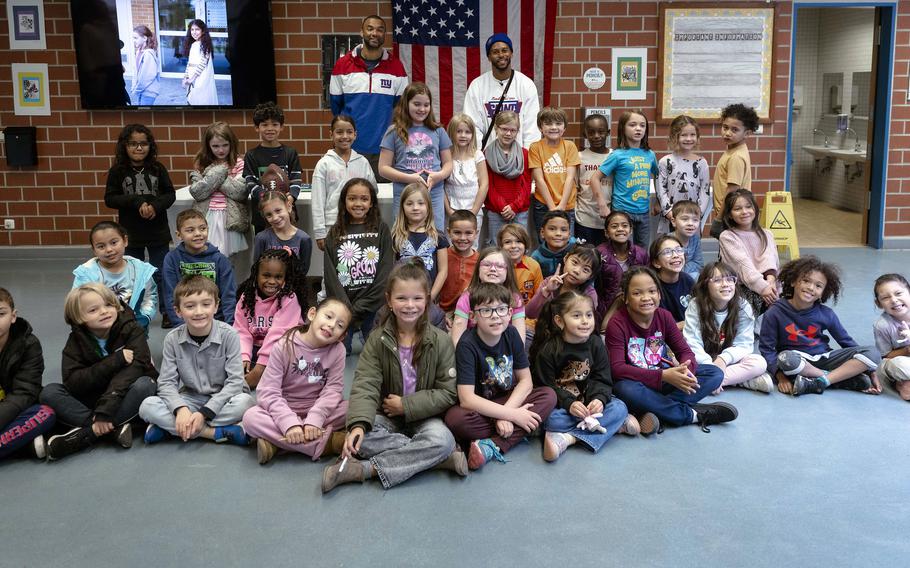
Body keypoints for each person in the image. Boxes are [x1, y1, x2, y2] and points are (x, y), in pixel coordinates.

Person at [321, 260, 466, 492]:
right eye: (401, 298)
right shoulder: (377, 340)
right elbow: (365, 385)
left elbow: (448, 392)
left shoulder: (441, 340)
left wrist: (406, 405)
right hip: (386, 416)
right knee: (362, 438)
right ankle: (438, 458)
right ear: (389, 300)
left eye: (417, 298)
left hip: (425, 417)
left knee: (442, 440)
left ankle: (363, 470)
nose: (410, 305)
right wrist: (358, 425)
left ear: (427, 300)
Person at [606, 267, 738, 434]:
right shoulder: (617, 323)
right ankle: (690, 415)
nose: (646, 298)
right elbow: (617, 369)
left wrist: (685, 371)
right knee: (624, 389)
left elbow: (685, 351)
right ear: (625, 298)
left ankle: (655, 411)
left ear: (659, 294)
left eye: (652, 291)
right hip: (638, 383)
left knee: (714, 373)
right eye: (637, 293)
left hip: (665, 379)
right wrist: (662, 375)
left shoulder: (664, 316)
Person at [444, 282, 556, 470]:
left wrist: (506, 415)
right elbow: (466, 399)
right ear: (473, 316)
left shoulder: (511, 334)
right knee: (455, 419)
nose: (496, 316)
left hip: (507, 399)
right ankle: (522, 428)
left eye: (501, 309)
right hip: (481, 407)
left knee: (548, 395)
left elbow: (526, 381)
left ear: (510, 313)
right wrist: (512, 415)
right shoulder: (467, 345)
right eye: (486, 310)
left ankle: (491, 445)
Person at [40, 284, 158, 460]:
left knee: (145, 385)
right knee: (49, 392)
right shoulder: (75, 342)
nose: (104, 312)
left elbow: (136, 368)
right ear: (78, 318)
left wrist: (106, 409)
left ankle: (89, 433)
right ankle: (108, 430)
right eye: (93, 310)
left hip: (124, 395)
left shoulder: (132, 329)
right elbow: (73, 382)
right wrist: (115, 360)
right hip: (94, 399)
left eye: (109, 305)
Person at [140, 276, 254, 445]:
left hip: (224, 399)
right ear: (178, 311)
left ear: (216, 306)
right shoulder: (172, 339)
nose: (199, 312)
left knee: (246, 404)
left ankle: (171, 429)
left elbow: (235, 382)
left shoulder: (229, 335)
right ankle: (213, 433)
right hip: (190, 399)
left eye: (206, 304)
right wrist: (181, 410)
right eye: (190, 306)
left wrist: (204, 413)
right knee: (147, 406)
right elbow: (166, 383)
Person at [530, 289, 639, 462]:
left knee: (619, 407)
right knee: (550, 420)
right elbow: (546, 386)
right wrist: (569, 403)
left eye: (589, 315)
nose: (585, 321)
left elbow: (602, 378)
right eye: (576, 316)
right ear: (560, 321)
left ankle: (567, 439)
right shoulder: (549, 350)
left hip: (590, 406)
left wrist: (599, 399)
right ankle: (613, 426)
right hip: (564, 409)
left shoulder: (596, 344)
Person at [242, 298, 352, 464]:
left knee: (353, 408)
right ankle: (329, 444)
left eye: (340, 325)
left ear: (342, 336)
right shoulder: (284, 345)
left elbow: (333, 390)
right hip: (285, 407)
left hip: (316, 408)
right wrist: (289, 423)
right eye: (328, 317)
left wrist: (315, 419)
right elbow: (268, 391)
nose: (331, 325)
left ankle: (278, 445)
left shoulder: (338, 351)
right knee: (251, 418)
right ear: (312, 314)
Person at [760, 256, 882, 396]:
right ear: (793, 281)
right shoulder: (775, 312)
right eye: (806, 281)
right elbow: (767, 349)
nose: (811, 288)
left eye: (818, 286)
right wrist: (780, 377)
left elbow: (847, 343)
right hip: (798, 361)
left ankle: (821, 381)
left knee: (873, 353)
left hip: (826, 358)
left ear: (823, 293)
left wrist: (871, 371)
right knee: (785, 358)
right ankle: (838, 378)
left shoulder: (826, 314)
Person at [103, 124, 175, 328]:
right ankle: (131, 311)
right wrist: (135, 201)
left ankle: (167, 311)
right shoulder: (118, 171)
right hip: (130, 233)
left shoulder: (158, 169)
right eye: (133, 144)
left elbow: (170, 194)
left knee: (160, 273)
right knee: (132, 274)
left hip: (157, 231)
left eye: (143, 144)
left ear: (150, 146)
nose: (138, 148)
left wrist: (155, 205)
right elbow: (110, 198)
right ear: (124, 146)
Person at [329, 14, 408, 178]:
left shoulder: (396, 68)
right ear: (362, 32)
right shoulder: (342, 66)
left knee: (383, 201)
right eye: (370, 28)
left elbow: (401, 109)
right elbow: (336, 108)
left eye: (380, 30)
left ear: (384, 35)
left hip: (385, 150)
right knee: (352, 200)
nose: (374, 33)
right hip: (350, 149)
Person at [323, 178, 394, 355]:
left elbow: (385, 272)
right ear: (344, 201)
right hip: (344, 307)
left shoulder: (382, 229)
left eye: (364, 199)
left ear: (371, 203)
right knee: (340, 353)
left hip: (373, 306)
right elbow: (330, 274)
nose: (358, 203)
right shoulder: (335, 232)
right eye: (352, 198)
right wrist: (346, 309)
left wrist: (361, 306)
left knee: (376, 354)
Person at [683, 262, 772, 393]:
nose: (725, 284)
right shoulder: (695, 305)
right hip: (704, 361)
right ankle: (744, 380)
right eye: (717, 280)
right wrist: (711, 368)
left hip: (729, 361)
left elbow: (744, 344)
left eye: (730, 279)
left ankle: (707, 383)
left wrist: (723, 359)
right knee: (682, 362)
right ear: (705, 285)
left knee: (759, 362)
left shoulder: (742, 306)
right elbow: (693, 343)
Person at [379, 82, 453, 231]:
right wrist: (410, 178)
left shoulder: (438, 130)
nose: (422, 109)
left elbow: (449, 164)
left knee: (436, 235)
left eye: (426, 105)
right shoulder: (394, 131)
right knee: (404, 234)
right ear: (407, 103)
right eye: (417, 104)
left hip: (433, 193)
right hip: (404, 193)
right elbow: (383, 168)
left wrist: (438, 175)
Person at [233, 249, 306, 389]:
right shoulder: (246, 297)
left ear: (285, 278)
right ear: (256, 275)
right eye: (266, 275)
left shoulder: (289, 298)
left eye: (278, 277)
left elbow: (278, 335)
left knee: (289, 362)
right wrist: (243, 357)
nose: (272, 282)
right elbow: (241, 331)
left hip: (282, 349)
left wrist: (259, 370)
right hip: (255, 349)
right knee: (229, 356)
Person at [0, 288, 56, 460]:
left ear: (13, 316)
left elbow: (25, 392)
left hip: (13, 410)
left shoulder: (28, 344)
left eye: (1, 314)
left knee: (45, 413)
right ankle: (21, 446)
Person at [590, 110, 659, 248]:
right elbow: (594, 179)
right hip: (622, 211)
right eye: (632, 125)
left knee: (642, 251)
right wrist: (602, 205)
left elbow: (658, 176)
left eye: (642, 125)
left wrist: (658, 201)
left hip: (643, 212)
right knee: (623, 249)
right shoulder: (617, 155)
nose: (638, 128)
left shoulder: (650, 154)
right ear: (623, 128)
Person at [72, 221, 158, 331]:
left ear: (125, 241)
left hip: (134, 326)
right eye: (101, 246)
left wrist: (144, 318)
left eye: (113, 243)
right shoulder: (86, 274)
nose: (109, 250)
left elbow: (150, 297)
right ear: (94, 250)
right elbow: (77, 303)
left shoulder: (141, 270)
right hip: (99, 328)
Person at [463, 33, 541, 149]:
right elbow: (473, 126)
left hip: (519, 158)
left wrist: (527, 158)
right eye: (495, 52)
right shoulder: (477, 86)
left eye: (505, 50)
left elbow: (532, 128)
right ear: (489, 57)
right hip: (487, 158)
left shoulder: (526, 84)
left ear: (511, 53)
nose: (501, 55)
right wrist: (479, 157)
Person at [311, 115, 376, 251]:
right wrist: (320, 232)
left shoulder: (362, 162)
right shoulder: (324, 164)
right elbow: (317, 200)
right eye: (339, 132)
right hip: (332, 224)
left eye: (349, 132)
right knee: (334, 265)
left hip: (359, 223)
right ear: (331, 134)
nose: (344, 136)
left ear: (355, 134)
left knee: (357, 263)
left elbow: (373, 192)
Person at [162, 209, 236, 326]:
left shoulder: (220, 260)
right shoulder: (171, 259)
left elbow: (229, 296)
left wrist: (229, 326)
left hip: (217, 322)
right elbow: (170, 295)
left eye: (202, 228)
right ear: (179, 235)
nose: (198, 233)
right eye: (190, 230)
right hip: (185, 322)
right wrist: (180, 326)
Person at [190, 122, 249, 258]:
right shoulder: (201, 163)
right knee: (207, 255)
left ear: (232, 144)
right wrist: (221, 174)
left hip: (229, 216)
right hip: (207, 215)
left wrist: (214, 175)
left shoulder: (239, 163)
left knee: (228, 260)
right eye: (215, 146)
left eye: (225, 145)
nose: (221, 150)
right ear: (208, 146)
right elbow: (198, 192)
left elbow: (239, 192)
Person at [243, 102, 303, 233]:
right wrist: (267, 199)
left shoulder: (290, 153)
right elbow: (250, 183)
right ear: (256, 128)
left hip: (286, 214)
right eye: (264, 125)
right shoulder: (251, 155)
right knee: (264, 251)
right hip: (262, 216)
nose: (270, 128)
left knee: (288, 250)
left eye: (275, 124)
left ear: (281, 127)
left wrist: (290, 198)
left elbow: (296, 180)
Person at [718, 189, 779, 316]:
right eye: (737, 209)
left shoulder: (767, 234)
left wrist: (771, 282)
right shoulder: (727, 236)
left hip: (768, 284)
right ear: (729, 214)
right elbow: (743, 266)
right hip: (744, 286)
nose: (744, 212)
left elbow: (770, 260)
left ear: (755, 209)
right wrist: (763, 288)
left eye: (748, 206)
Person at [450, 247, 527, 348]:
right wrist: (464, 356)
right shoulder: (468, 297)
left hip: (505, 350)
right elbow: (457, 338)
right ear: (478, 268)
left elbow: (519, 338)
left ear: (508, 271)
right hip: (473, 350)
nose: (493, 269)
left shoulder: (515, 299)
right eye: (487, 265)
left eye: (499, 266)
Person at [392, 183, 449, 303]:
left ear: (428, 206)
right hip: (404, 298)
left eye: (420, 203)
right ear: (402, 207)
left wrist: (431, 296)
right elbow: (391, 269)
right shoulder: (396, 236)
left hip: (429, 297)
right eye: (409, 203)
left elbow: (443, 271)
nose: (415, 208)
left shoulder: (438, 236)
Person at [529, 107, 581, 234]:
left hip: (566, 205)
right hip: (543, 204)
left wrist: (562, 206)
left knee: (566, 242)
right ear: (541, 128)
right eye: (548, 123)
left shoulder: (570, 146)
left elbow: (570, 178)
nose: (553, 127)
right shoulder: (535, 147)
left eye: (558, 123)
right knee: (545, 242)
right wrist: (552, 207)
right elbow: (539, 179)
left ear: (564, 128)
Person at [656, 115, 710, 235]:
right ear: (675, 136)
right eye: (684, 135)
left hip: (692, 220)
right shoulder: (665, 161)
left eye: (692, 135)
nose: (688, 138)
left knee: (691, 251)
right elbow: (661, 190)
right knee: (670, 250)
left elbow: (704, 191)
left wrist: (697, 214)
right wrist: (669, 213)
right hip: (671, 219)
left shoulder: (701, 163)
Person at [711, 103, 759, 237]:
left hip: (731, 215)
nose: (727, 133)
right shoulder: (733, 149)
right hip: (731, 214)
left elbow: (732, 190)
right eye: (725, 127)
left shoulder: (736, 157)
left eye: (734, 130)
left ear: (747, 133)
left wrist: (719, 219)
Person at [484, 111, 532, 243]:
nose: (508, 133)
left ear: (517, 132)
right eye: (504, 129)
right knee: (496, 246)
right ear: (496, 128)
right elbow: (488, 185)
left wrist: (514, 207)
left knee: (519, 245)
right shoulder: (487, 154)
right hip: (496, 211)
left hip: (519, 211)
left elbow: (526, 185)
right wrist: (503, 207)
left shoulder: (524, 154)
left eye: (513, 130)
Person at [596, 210, 650, 326]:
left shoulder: (641, 254)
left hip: (636, 304)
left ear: (630, 230)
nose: (620, 229)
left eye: (624, 226)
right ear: (606, 232)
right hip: (607, 306)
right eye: (614, 226)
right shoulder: (599, 253)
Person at [525, 243, 601, 323]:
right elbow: (529, 314)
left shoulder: (589, 294)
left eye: (585, 270)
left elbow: (586, 323)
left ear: (590, 276)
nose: (577, 271)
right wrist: (546, 291)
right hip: (545, 331)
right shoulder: (550, 282)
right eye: (575, 262)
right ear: (565, 258)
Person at [445, 113, 488, 238]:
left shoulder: (477, 155)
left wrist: (474, 212)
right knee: (452, 244)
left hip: (473, 209)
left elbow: (484, 185)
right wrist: (449, 210)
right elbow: (441, 185)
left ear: (472, 134)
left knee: (471, 244)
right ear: (452, 133)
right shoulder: (446, 155)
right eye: (459, 131)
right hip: (452, 210)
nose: (463, 135)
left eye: (467, 132)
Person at [252, 189, 313, 275]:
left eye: (278, 211)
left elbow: (303, 271)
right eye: (269, 215)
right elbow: (257, 270)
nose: (275, 218)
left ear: (289, 207)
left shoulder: (304, 239)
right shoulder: (261, 238)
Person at [575, 113, 612, 246]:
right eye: (591, 133)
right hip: (584, 218)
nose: (596, 136)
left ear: (608, 133)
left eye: (601, 132)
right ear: (585, 135)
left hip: (608, 220)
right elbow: (575, 187)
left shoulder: (614, 156)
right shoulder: (579, 157)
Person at [872, 273, 910, 400]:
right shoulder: (882, 325)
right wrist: (907, 350)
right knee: (895, 365)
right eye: (886, 298)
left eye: (898, 293)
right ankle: (901, 383)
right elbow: (885, 355)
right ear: (879, 303)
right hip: (903, 360)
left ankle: (905, 384)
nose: (894, 300)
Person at [439, 210, 480, 315]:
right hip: (443, 312)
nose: (462, 238)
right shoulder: (442, 256)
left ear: (476, 233)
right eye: (457, 232)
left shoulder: (481, 261)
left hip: (470, 313)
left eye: (468, 233)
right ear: (449, 232)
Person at [650, 234, 695, 329]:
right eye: (667, 252)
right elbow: (655, 326)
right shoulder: (651, 286)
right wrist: (687, 324)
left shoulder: (688, 280)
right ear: (656, 263)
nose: (675, 255)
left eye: (679, 250)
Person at [498, 223, 543, 313]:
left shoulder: (534, 265)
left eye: (519, 241)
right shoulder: (496, 265)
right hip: (501, 314)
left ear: (525, 244)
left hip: (527, 315)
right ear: (500, 246)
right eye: (507, 242)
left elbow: (539, 296)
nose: (514, 246)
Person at [531, 210, 577, 278]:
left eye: (563, 230)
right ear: (542, 232)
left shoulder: (577, 251)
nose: (558, 233)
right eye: (552, 229)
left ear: (569, 234)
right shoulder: (536, 257)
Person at [182, 19, 218, 105]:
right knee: (192, 99)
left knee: (202, 100)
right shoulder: (193, 44)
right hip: (192, 77)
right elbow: (189, 63)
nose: (194, 32)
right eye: (192, 29)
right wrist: (185, 77)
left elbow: (203, 63)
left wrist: (192, 79)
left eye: (197, 29)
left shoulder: (205, 45)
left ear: (202, 31)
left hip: (201, 77)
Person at [668, 200, 705, 280]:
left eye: (695, 220)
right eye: (685, 219)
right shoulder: (667, 241)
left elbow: (699, 264)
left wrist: (681, 269)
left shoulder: (695, 239)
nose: (690, 223)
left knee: (696, 275)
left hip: (687, 275)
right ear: (674, 222)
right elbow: (667, 265)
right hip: (669, 277)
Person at [130, 25, 160, 105]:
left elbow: (147, 76)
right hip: (141, 90)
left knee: (145, 116)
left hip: (148, 92)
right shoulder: (139, 52)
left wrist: (137, 89)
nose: (133, 41)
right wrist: (134, 87)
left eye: (136, 38)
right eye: (133, 38)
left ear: (144, 38)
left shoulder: (148, 54)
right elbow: (136, 72)